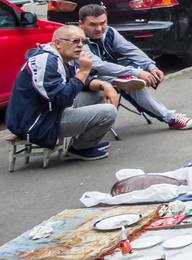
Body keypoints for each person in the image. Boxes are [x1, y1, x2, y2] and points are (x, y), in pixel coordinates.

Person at [5, 25, 118, 161]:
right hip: (37, 123)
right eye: (75, 41)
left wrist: (105, 85)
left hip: (50, 113)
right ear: (58, 43)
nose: (81, 45)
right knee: (109, 111)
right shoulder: (45, 61)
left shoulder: (60, 58)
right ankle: (80, 149)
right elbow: (62, 98)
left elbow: (84, 82)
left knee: (99, 92)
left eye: (83, 41)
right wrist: (83, 71)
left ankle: (85, 143)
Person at [77, 4, 192, 130]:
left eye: (103, 23)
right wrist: (136, 73)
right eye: (93, 25)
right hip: (87, 78)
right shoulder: (77, 40)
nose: (99, 28)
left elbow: (130, 49)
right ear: (81, 23)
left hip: (108, 73)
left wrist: (151, 66)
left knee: (134, 71)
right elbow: (98, 65)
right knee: (131, 81)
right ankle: (170, 118)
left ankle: (137, 80)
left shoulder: (109, 31)